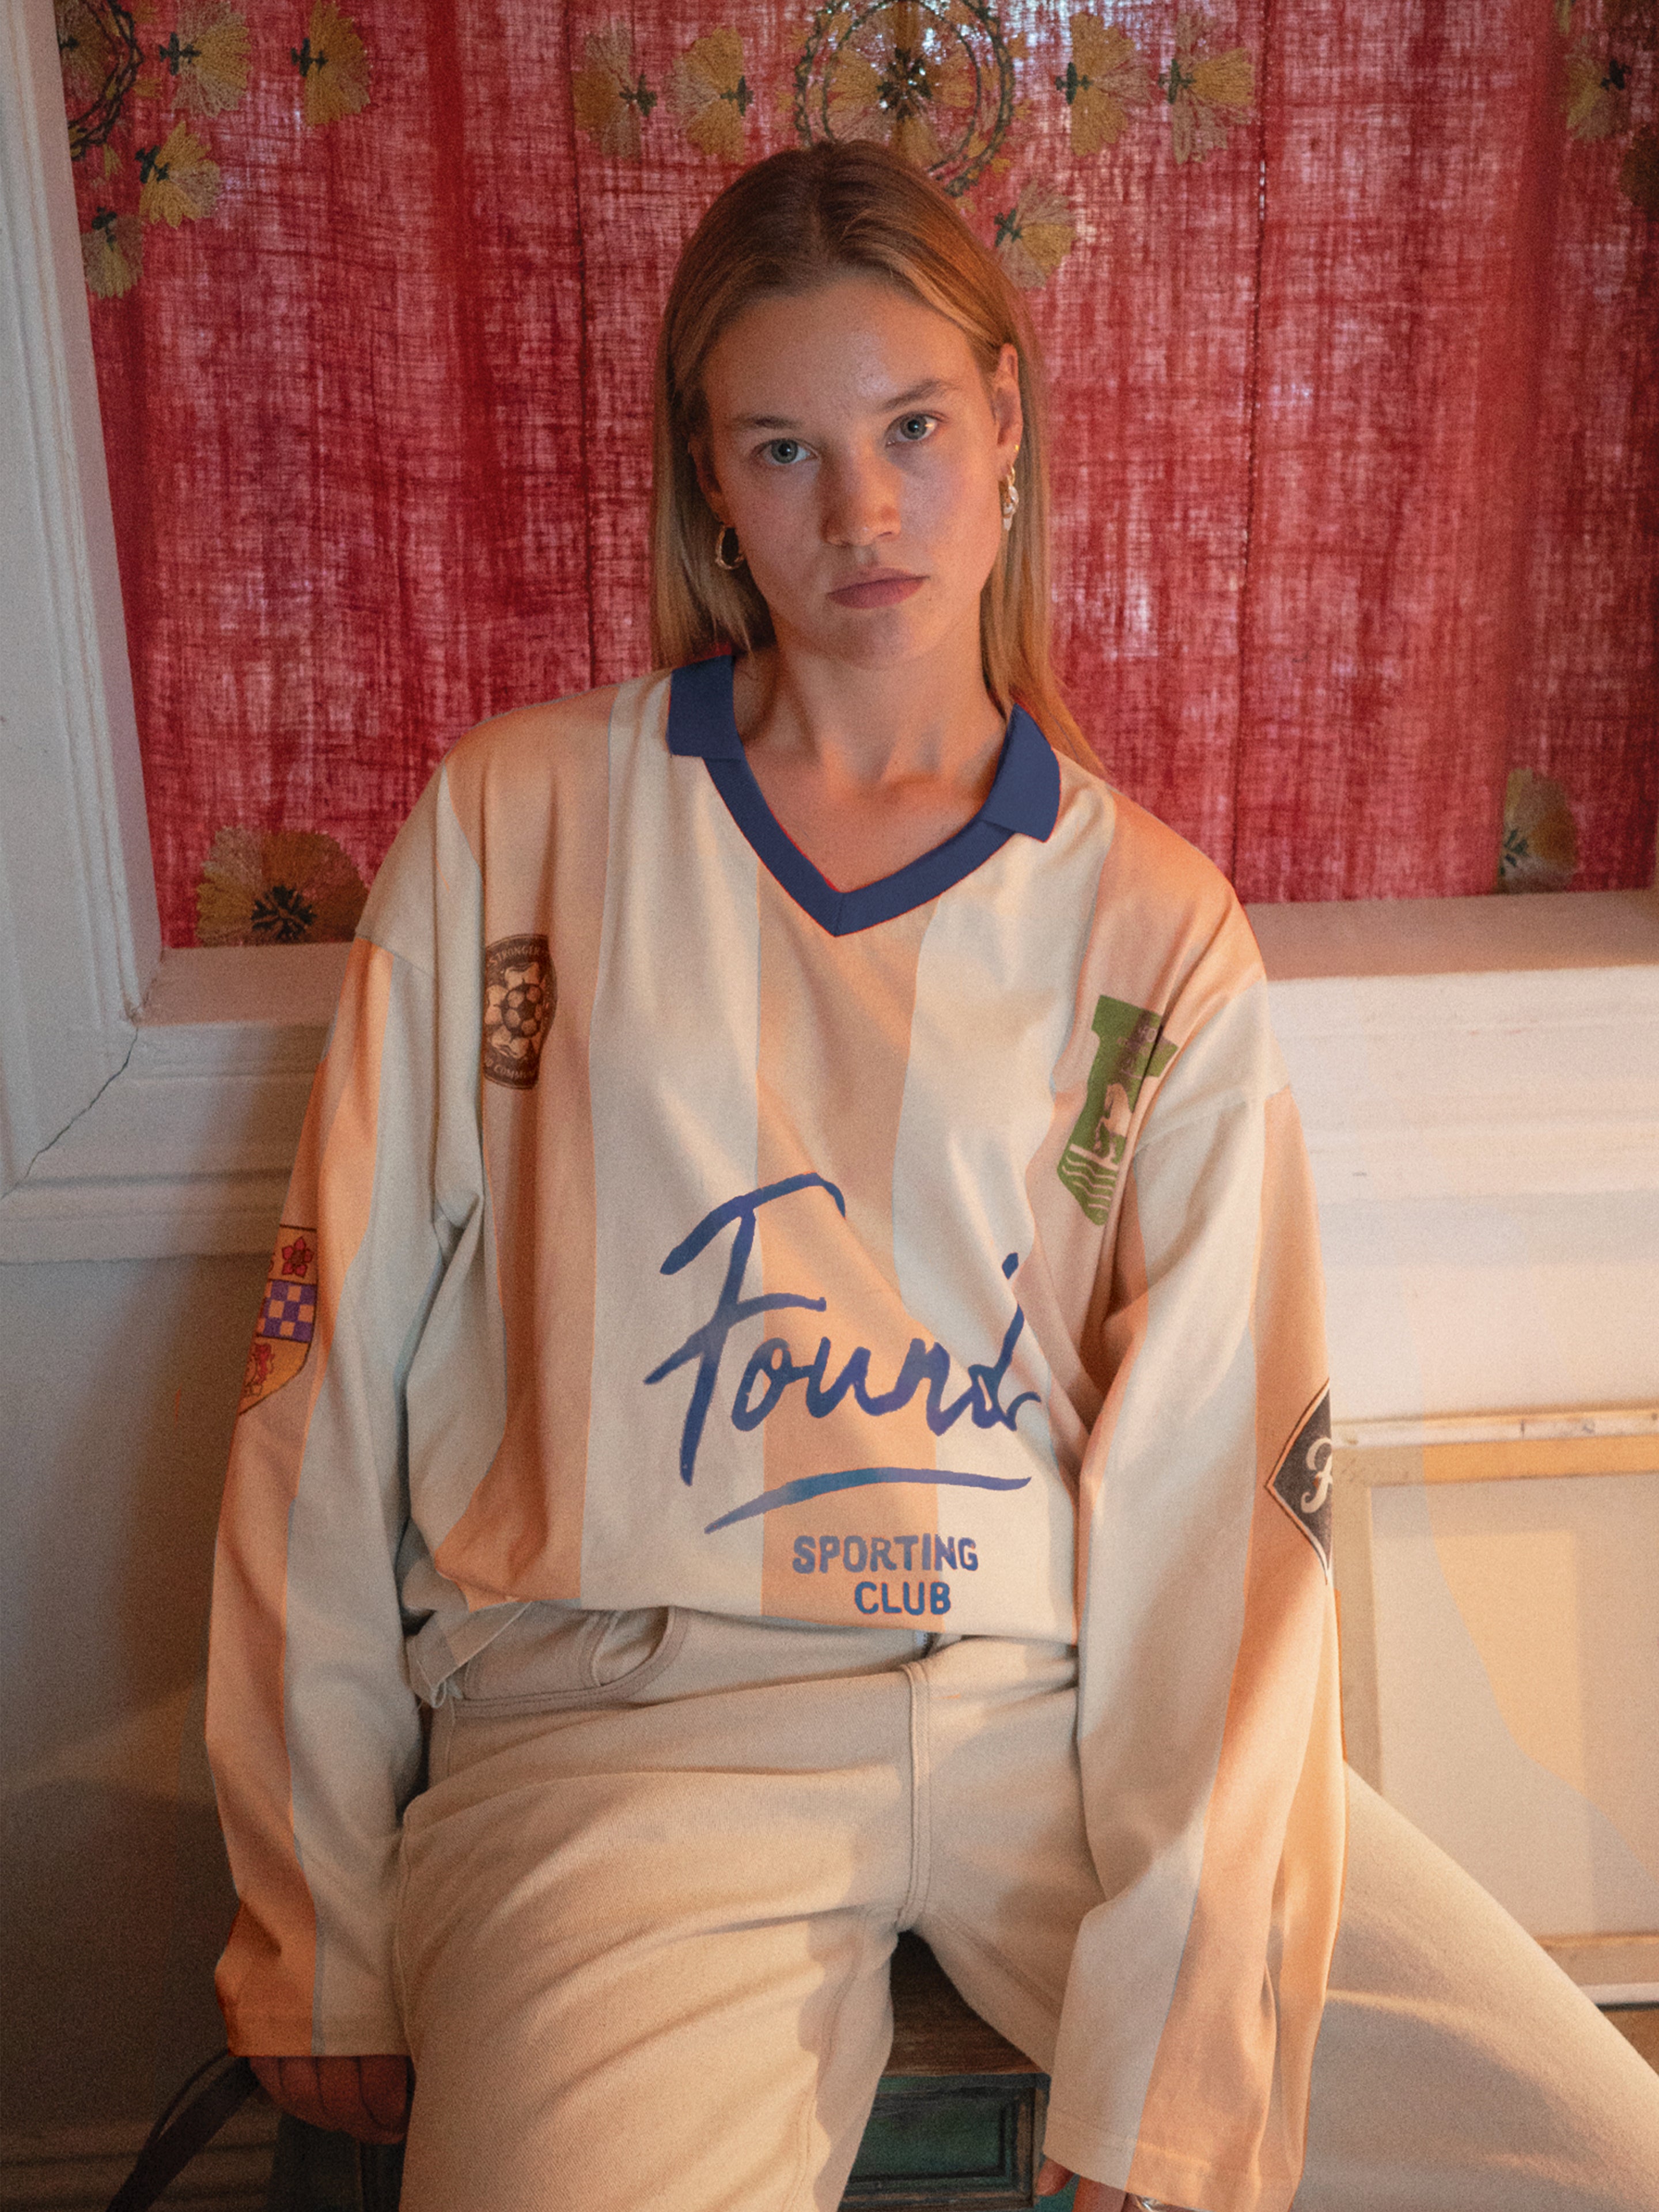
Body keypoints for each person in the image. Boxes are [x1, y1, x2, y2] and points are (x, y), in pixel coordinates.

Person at [205, 141, 1659, 2212]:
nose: (862, 511)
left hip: (1044, 1732)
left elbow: (1213, 1512)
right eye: (783, 448)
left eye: (908, 429)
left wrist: (1170, 2051)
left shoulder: (1155, 928)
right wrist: (317, 1913)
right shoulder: (515, 832)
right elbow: (320, 1381)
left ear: (1004, 416)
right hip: (630, 1736)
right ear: (710, 479)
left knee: (1593, 2162)